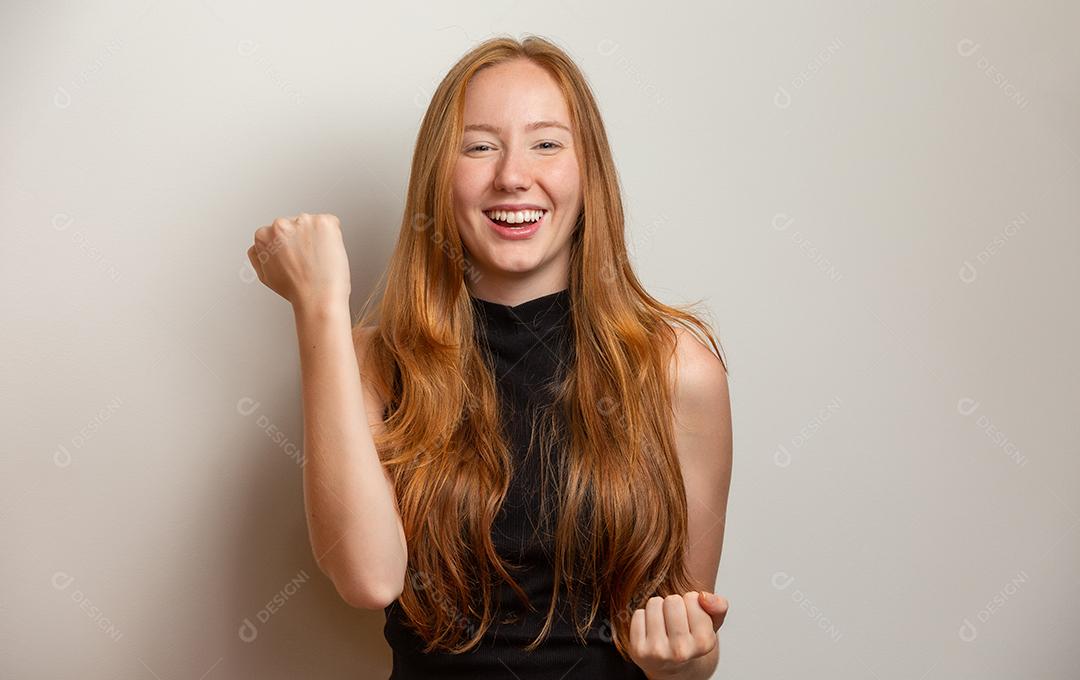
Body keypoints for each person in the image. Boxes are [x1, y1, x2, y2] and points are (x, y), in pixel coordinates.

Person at [247, 34, 732, 680]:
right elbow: (368, 577)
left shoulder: (678, 371)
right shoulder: (375, 363)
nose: (512, 175)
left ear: (588, 173)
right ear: (438, 176)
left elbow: (684, 641)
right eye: (479, 146)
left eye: (547, 143)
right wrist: (320, 307)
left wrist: (685, 659)